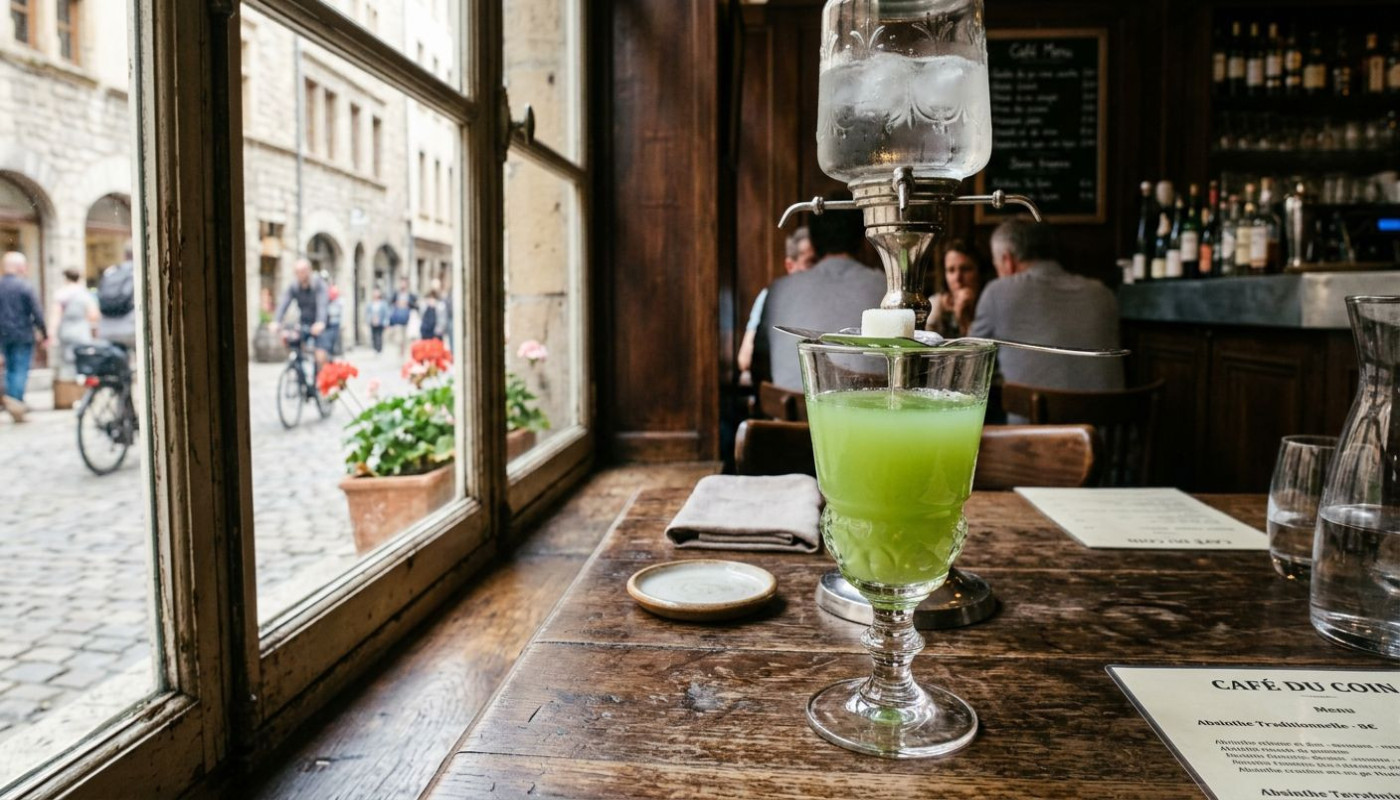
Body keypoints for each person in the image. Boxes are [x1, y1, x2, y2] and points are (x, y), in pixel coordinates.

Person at [970, 219, 1123, 413]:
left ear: (1007, 261)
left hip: (1035, 438)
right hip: (1106, 436)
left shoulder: (997, 292)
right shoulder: (1103, 293)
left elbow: (968, 367)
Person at [753, 206, 885, 391]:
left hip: (787, 417)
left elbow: (758, 367)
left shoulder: (778, 289)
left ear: (813, 243)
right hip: (866, 416)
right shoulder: (888, 288)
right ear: (863, 239)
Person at [737, 227, 814, 376]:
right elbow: (744, 360)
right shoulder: (771, 296)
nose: (818, 269)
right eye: (810, 263)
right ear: (790, 266)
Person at [0, 251, 47, 420]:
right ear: (20, 267)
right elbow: (36, 311)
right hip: (22, 334)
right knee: (20, 369)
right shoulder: (24, 286)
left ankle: (14, 400)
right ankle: (16, 402)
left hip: (3, 335)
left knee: (10, 369)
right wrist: (44, 332)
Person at [926, 238, 992, 339]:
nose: (958, 278)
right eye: (951, 270)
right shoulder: (936, 304)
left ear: (980, 271)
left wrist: (964, 320)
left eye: (965, 269)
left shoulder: (992, 304)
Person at [272, 258, 330, 364]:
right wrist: (276, 321)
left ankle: (320, 378)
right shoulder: (294, 286)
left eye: (303, 271)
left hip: (319, 324)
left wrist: (320, 322)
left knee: (320, 356)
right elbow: (284, 303)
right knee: (290, 341)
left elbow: (323, 304)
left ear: (309, 270)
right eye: (297, 272)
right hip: (304, 322)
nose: (300, 274)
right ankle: (299, 374)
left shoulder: (318, 284)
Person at [50, 268, 98, 384]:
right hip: (81, 331)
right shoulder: (85, 293)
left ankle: (69, 391)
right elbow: (94, 315)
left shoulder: (61, 293)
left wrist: (51, 332)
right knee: (83, 360)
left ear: (65, 278)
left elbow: (56, 314)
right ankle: (82, 391)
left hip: (65, 331)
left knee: (67, 363)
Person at [96, 245, 137, 349]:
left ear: (125, 255)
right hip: (130, 325)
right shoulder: (137, 270)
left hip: (107, 327)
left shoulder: (111, 271)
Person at [388, 278, 416, 356]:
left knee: (406, 338)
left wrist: (407, 304)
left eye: (404, 283)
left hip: (407, 319)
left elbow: (415, 305)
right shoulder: (397, 294)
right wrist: (397, 303)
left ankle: (405, 351)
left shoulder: (410, 295)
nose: (403, 285)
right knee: (399, 338)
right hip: (398, 319)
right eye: (401, 283)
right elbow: (390, 302)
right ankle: (401, 351)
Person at [366, 287, 389, 354]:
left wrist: (386, 322)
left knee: (379, 335)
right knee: (373, 335)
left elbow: (385, 313)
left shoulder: (383, 303)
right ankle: (375, 348)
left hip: (380, 322)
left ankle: (379, 349)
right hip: (372, 321)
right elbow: (368, 312)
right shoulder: (370, 303)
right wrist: (369, 320)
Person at [325, 283, 345, 356]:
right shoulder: (327, 301)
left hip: (336, 322)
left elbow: (342, 312)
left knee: (336, 337)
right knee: (329, 338)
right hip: (329, 322)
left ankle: (337, 351)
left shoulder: (339, 301)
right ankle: (330, 351)